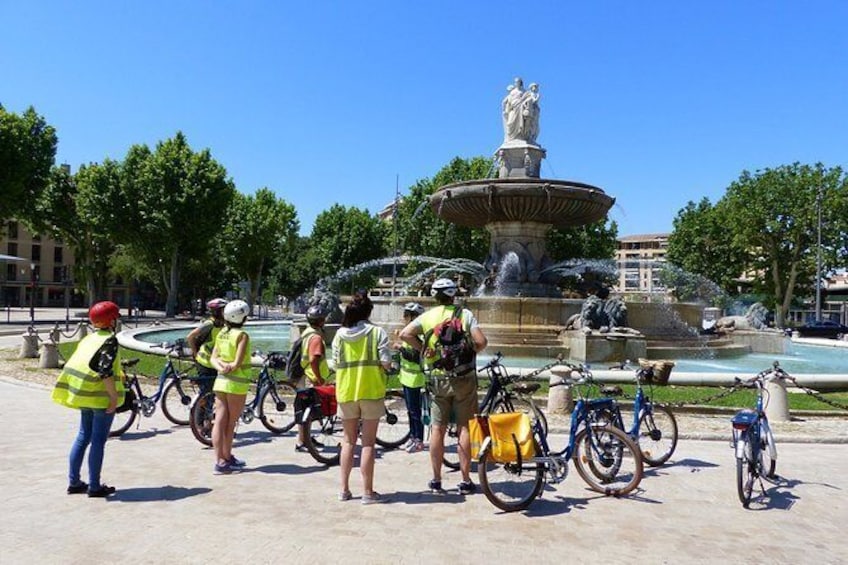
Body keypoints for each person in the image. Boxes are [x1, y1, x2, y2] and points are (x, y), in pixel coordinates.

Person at [399, 278, 488, 495]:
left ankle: (437, 480)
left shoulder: (427, 316)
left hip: (438, 378)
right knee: (464, 428)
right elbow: (482, 341)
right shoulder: (464, 314)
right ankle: (466, 481)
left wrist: (424, 349)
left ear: (435, 296)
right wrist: (467, 353)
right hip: (463, 378)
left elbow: (404, 334)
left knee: (437, 428)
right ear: (453, 295)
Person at [51, 301, 125, 498]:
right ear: (112, 320)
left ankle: (74, 482)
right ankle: (94, 486)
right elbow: (105, 371)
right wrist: (113, 397)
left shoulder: (88, 339)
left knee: (83, 437)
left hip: (82, 395)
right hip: (100, 398)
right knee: (98, 441)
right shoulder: (110, 340)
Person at [331, 291, 393, 504]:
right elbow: (386, 362)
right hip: (371, 391)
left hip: (346, 391)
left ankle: (344, 490)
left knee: (348, 442)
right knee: (368, 444)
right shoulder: (377, 333)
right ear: (369, 312)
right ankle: (367, 492)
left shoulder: (340, 334)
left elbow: (336, 363)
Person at [209, 299, 252, 475]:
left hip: (220, 381)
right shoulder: (242, 335)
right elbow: (238, 361)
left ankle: (221, 459)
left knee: (219, 420)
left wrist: (221, 367)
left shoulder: (222, 334)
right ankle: (225, 459)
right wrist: (231, 367)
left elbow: (213, 358)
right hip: (237, 383)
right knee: (230, 422)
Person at [295, 305, 332, 450]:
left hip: (305, 375)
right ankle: (302, 442)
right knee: (308, 412)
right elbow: (313, 359)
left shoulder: (307, 333)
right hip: (312, 378)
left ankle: (305, 440)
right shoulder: (316, 337)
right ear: (321, 321)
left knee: (304, 411)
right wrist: (319, 379)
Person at [392, 302, 427, 453]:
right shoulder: (409, 333)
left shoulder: (417, 335)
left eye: (407, 315)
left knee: (415, 412)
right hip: (407, 377)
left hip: (415, 379)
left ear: (414, 317)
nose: (404, 318)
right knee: (410, 411)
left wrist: (400, 347)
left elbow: (414, 356)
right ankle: (413, 438)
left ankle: (418, 440)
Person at [187, 298, 228, 380]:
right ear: (217, 311)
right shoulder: (209, 324)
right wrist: (195, 354)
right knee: (207, 388)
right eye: (224, 310)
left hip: (215, 362)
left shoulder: (222, 324)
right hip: (204, 362)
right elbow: (190, 336)